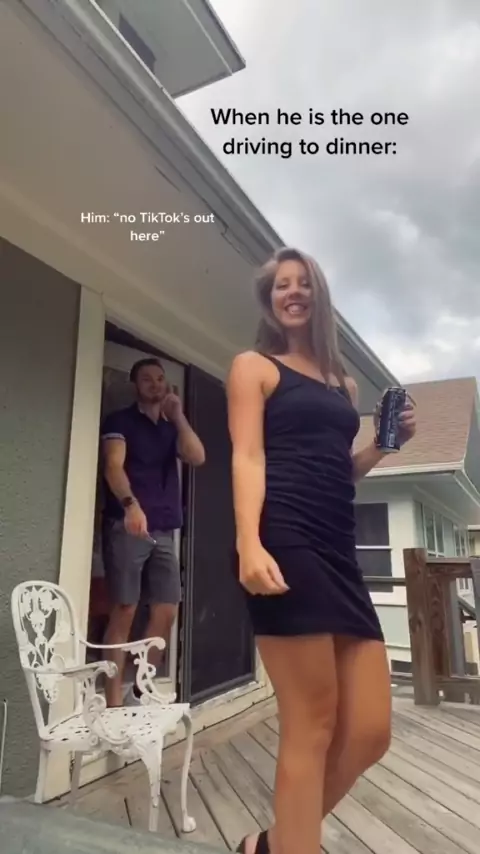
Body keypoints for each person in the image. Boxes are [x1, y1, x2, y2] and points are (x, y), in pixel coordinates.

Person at [226, 248, 416, 854]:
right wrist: (248, 541)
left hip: (339, 548)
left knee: (369, 732)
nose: (293, 292)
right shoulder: (253, 367)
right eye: (282, 285)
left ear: (319, 294)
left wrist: (382, 447)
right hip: (285, 537)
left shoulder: (343, 386)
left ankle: (273, 844)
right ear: (270, 301)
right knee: (312, 725)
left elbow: (339, 471)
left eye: (303, 282)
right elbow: (248, 456)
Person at [101, 357, 205, 707]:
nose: (155, 384)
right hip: (127, 526)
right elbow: (113, 466)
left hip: (163, 530)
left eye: (160, 379)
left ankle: (139, 692)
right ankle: (113, 703)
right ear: (135, 385)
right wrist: (131, 505)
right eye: (147, 379)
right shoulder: (120, 422)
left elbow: (197, 456)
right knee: (125, 609)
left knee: (167, 610)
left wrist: (178, 416)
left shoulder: (171, 427)